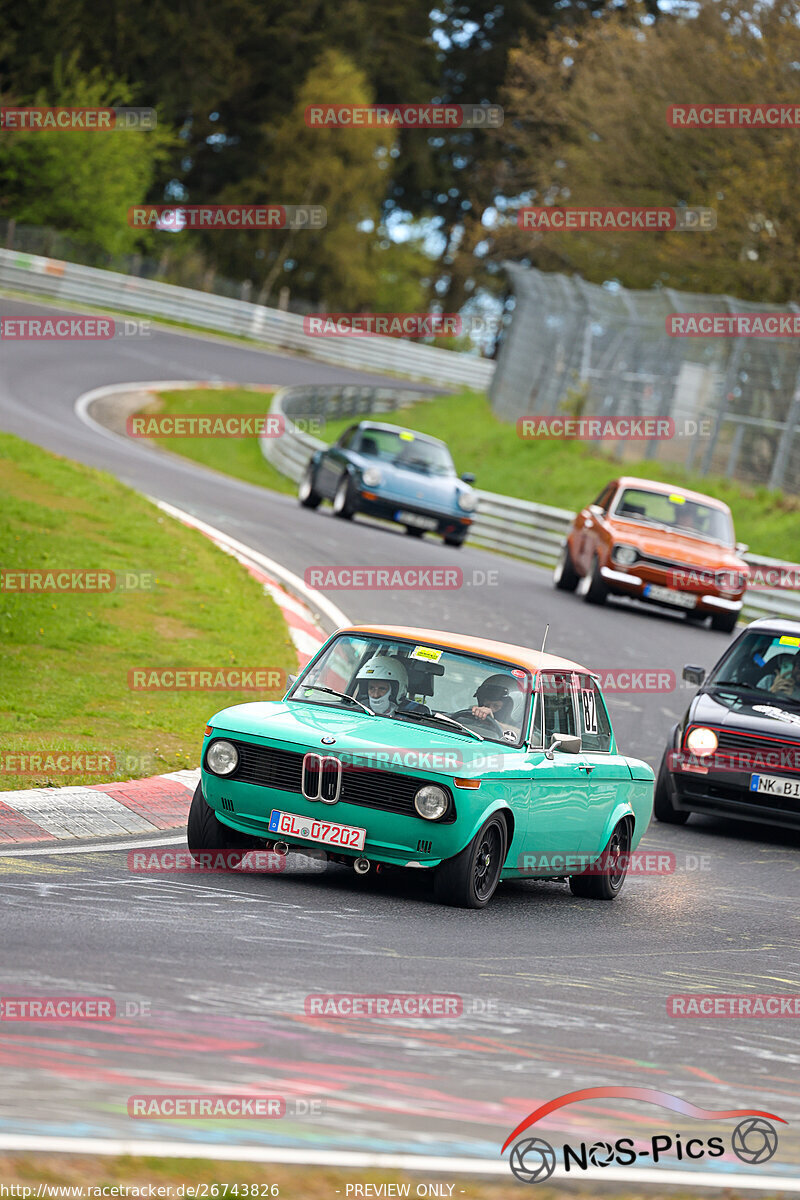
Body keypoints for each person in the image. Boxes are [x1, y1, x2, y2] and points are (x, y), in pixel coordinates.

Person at [451, 674, 523, 738]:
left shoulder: (519, 726)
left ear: (508, 707)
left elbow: (531, 738)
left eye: (495, 706)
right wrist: (471, 715)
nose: (489, 709)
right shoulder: (467, 716)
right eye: (487, 704)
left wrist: (495, 723)